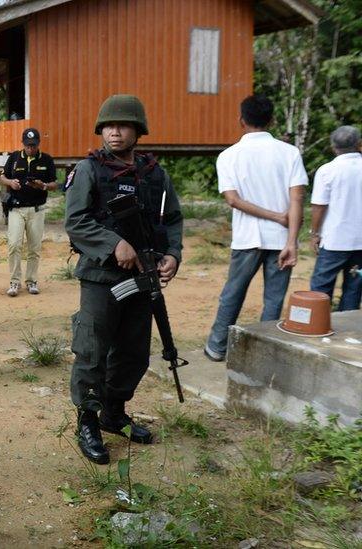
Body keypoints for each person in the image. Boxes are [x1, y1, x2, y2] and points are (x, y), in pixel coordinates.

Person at [65, 95, 183, 464]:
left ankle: (113, 413)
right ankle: (87, 420)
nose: (114, 132)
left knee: (134, 352)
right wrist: (115, 243)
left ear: (138, 130)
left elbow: (172, 220)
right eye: (108, 126)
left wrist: (172, 255)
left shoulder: (155, 175)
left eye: (123, 125)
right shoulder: (89, 171)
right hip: (103, 278)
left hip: (143, 279)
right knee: (92, 350)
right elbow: (77, 221)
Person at [204, 95, 306, 362]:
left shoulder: (229, 156)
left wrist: (273, 217)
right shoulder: (290, 153)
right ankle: (265, 351)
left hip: (247, 238)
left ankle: (217, 346)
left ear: (241, 120)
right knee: (274, 299)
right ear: (271, 120)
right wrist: (292, 241)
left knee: (233, 294)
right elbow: (297, 199)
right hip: (282, 240)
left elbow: (233, 200)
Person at [0, 128, 58, 296]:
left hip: (37, 210)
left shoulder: (46, 160)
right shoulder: (15, 158)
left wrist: (43, 185)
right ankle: (14, 282)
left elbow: (54, 184)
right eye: (28, 145)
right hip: (16, 209)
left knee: (34, 248)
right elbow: (2, 177)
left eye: (34, 145)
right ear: (22, 144)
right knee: (14, 244)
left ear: (38, 144)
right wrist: (10, 183)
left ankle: (31, 281)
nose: (31, 148)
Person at [308, 125, 362, 311]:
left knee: (321, 289)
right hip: (360, 242)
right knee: (354, 288)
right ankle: (346, 333)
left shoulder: (327, 170)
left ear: (333, 147)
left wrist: (314, 233)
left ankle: (319, 326)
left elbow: (319, 206)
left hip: (334, 241)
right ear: (359, 145)